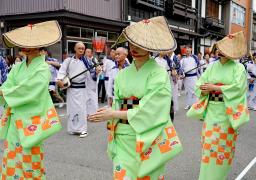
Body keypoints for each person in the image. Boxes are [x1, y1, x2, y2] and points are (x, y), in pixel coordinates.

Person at [88, 16, 182, 179]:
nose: (134, 48)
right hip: (123, 135)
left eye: (139, 44)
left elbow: (151, 110)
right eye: (132, 43)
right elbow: (117, 103)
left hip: (147, 138)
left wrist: (113, 114)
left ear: (150, 46)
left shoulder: (158, 73)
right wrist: (107, 113)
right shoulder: (123, 74)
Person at [0, 21, 62, 179]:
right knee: (11, 158)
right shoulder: (17, 67)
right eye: (21, 44)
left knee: (30, 162)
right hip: (15, 120)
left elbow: (29, 90)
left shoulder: (43, 69)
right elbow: (8, 85)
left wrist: (5, 92)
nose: (23, 47)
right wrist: (5, 91)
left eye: (28, 44)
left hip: (32, 122)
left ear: (39, 46)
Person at [187, 31, 250, 180]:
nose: (220, 52)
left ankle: (219, 176)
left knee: (223, 147)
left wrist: (215, 88)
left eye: (225, 50)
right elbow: (200, 83)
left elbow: (239, 88)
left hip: (227, 113)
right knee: (208, 147)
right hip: (211, 112)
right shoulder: (211, 66)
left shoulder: (238, 68)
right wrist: (204, 88)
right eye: (219, 49)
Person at [57, 42, 90, 138]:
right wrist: (59, 79)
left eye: (83, 48)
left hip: (82, 90)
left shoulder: (87, 61)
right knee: (71, 109)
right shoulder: (68, 61)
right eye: (79, 48)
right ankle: (73, 128)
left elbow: (93, 74)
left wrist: (96, 71)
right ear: (75, 49)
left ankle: (83, 129)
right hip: (71, 89)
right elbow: (62, 71)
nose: (81, 50)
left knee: (81, 109)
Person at [84, 48, 101, 115]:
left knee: (93, 98)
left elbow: (99, 70)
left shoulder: (94, 60)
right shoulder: (82, 60)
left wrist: (97, 72)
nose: (87, 53)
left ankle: (94, 113)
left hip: (92, 82)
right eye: (86, 52)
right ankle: (86, 113)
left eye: (89, 52)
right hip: (85, 82)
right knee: (85, 98)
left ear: (91, 54)